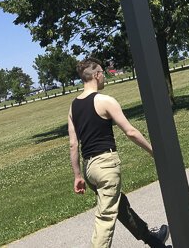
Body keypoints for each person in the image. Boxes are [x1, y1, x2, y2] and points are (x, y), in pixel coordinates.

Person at [68, 58, 170, 248]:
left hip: (89, 169)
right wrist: (154, 152)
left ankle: (153, 240)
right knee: (105, 219)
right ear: (97, 75)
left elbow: (73, 145)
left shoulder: (73, 107)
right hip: (106, 165)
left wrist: (77, 176)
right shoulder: (105, 101)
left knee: (120, 207)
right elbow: (130, 131)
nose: (104, 77)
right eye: (103, 73)